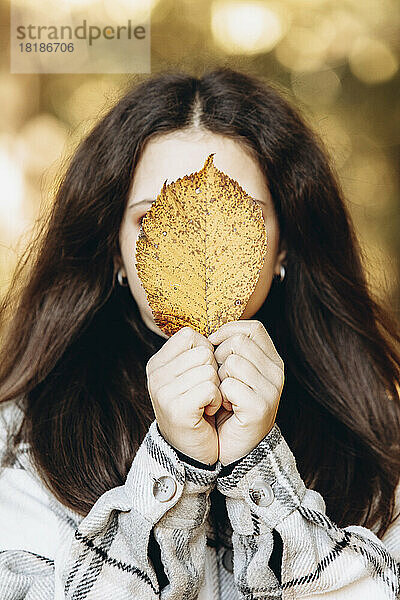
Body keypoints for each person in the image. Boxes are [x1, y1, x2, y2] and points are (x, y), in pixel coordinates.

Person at [0, 67, 399, 600]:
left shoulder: (375, 442)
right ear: (116, 250)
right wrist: (172, 471)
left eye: (241, 216)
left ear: (283, 246)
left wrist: (262, 471)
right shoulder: (26, 441)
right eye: (152, 219)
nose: (190, 243)